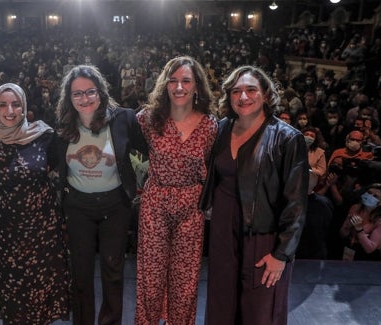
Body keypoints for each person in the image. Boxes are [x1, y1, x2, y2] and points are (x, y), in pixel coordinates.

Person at [199, 65, 309, 325]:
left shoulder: (288, 138)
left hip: (263, 239)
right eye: (236, 91)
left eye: (251, 90)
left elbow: (296, 204)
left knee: (260, 314)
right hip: (223, 235)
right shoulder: (221, 129)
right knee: (221, 308)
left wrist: (282, 254)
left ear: (267, 95)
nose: (243, 97)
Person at [55, 65, 147, 325]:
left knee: (113, 271)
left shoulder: (123, 119)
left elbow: (148, 151)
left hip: (115, 206)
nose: (84, 99)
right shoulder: (63, 126)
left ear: (100, 92)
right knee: (81, 274)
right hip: (78, 207)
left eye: (90, 92)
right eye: (77, 94)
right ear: (69, 98)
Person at [135, 56, 218, 325]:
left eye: (186, 81)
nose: (179, 87)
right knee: (151, 278)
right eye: (173, 81)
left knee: (185, 280)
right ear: (165, 85)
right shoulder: (148, 120)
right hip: (155, 203)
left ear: (197, 87)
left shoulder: (210, 126)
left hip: (191, 207)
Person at [0, 83, 71, 324]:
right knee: (16, 298)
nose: (10, 110)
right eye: (3, 104)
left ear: (24, 107)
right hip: (10, 233)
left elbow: (54, 170)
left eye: (16, 104)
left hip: (44, 229)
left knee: (42, 293)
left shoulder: (44, 136)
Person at [340, 183, 381, 261]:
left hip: (366, 258)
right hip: (348, 249)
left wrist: (359, 229)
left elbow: (370, 249)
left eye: (375, 196)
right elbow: (342, 234)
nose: (370, 196)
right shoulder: (355, 208)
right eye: (369, 193)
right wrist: (348, 226)